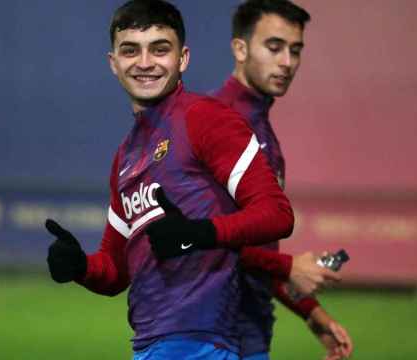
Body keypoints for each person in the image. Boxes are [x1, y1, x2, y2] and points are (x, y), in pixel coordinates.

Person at [45, 0, 296, 359]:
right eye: (130, 50)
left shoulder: (204, 118)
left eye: (160, 49)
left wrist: (200, 233)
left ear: (183, 59)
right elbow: (115, 270)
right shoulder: (125, 155)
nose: (145, 63)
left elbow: (276, 213)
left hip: (203, 341)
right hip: (149, 344)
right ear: (113, 63)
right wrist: (81, 267)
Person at [211, 1, 353, 359]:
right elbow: (206, 237)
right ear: (240, 48)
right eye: (274, 47)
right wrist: (291, 267)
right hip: (213, 332)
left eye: (295, 50)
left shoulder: (260, 129)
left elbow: (257, 252)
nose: (287, 62)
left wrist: (312, 313)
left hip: (248, 328)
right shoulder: (218, 123)